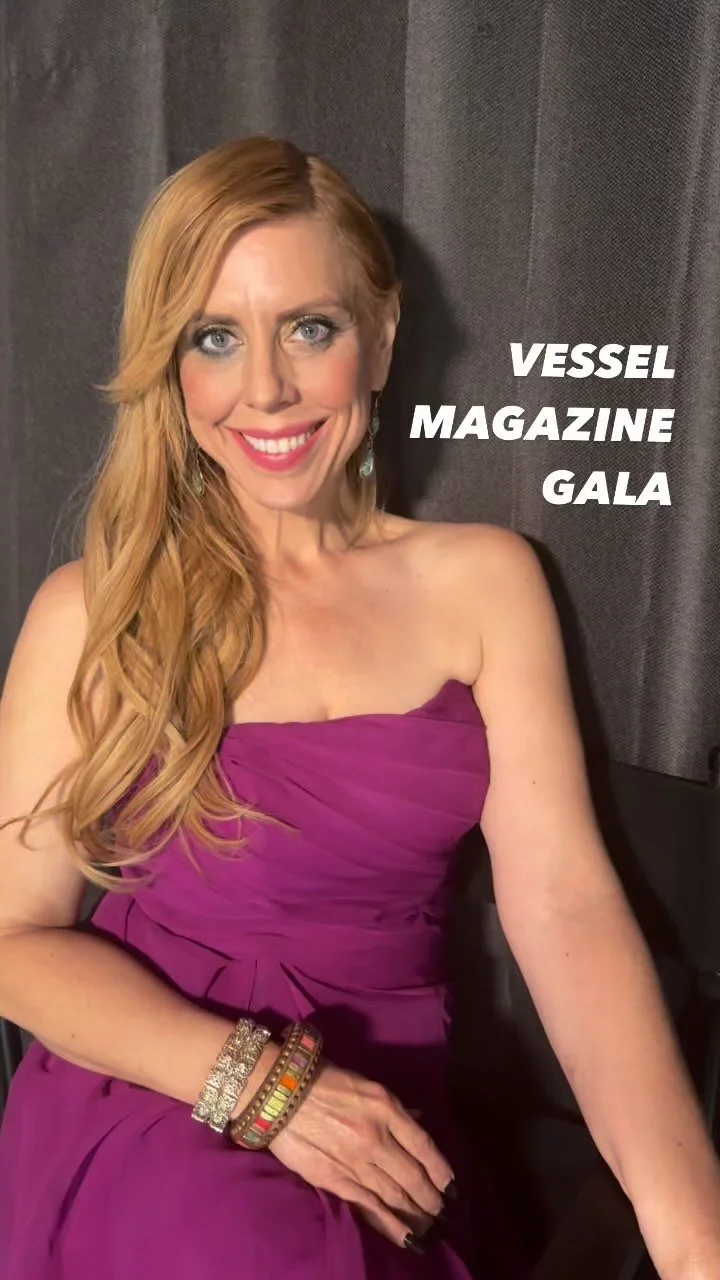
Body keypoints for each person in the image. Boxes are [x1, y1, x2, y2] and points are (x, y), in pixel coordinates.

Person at [0, 135, 718, 1280]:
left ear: (379, 337)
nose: (266, 387)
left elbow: (567, 910)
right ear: (171, 366)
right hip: (156, 1090)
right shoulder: (92, 609)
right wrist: (261, 1086)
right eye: (214, 337)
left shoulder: (487, 581)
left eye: (309, 328)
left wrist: (694, 1234)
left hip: (387, 1120)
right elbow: (11, 936)